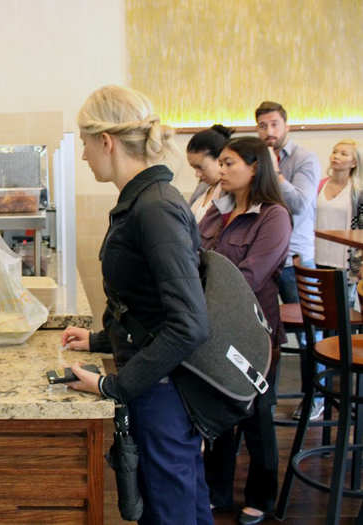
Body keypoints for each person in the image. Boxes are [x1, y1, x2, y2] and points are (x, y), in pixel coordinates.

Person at [61, 85, 213, 525]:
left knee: (170, 510)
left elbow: (188, 323)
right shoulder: (144, 201)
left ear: (105, 141)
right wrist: (98, 340)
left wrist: (115, 387)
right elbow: (145, 305)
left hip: (164, 388)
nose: (85, 156)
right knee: (180, 503)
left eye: (86, 144)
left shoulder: (155, 208)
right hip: (155, 381)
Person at [199, 137, 292, 525]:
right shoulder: (216, 212)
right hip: (217, 328)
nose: (220, 170)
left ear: (255, 167)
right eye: (219, 163)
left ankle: (262, 496)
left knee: (257, 416)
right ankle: (217, 491)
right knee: (219, 409)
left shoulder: (274, 216)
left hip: (256, 331)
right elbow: (194, 256)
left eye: (229, 163)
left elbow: (252, 275)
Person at [255, 100, 323, 420]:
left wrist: (275, 171)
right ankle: (266, 398)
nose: (269, 132)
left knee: (312, 333)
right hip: (268, 259)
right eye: (263, 126)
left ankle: (316, 399)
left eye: (274, 125)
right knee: (266, 331)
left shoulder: (305, 158)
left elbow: (300, 204)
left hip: (296, 260)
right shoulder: (256, 159)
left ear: (287, 125)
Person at [315, 139, 363, 305]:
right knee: (320, 310)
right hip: (318, 258)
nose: (336, 156)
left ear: (354, 162)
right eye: (335, 152)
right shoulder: (319, 186)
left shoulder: (358, 192)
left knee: (343, 311)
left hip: (346, 263)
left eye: (344, 154)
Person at [186, 124, 234, 223]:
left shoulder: (232, 192)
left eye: (200, 167)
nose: (197, 174)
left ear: (220, 159)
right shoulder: (203, 187)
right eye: (194, 168)